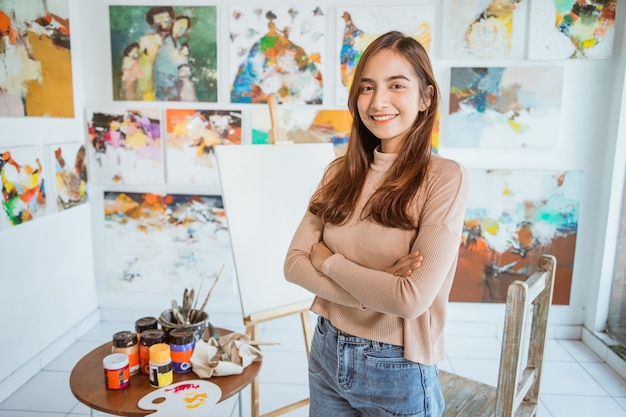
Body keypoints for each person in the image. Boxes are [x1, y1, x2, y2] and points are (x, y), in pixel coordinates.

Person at [283, 31, 470, 417]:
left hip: (396, 366)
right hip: (326, 349)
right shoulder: (340, 172)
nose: (378, 101)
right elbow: (294, 264)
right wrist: (376, 287)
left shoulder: (445, 178)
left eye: (396, 85)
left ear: (426, 97)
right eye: (367, 87)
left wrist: (329, 262)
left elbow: (410, 299)